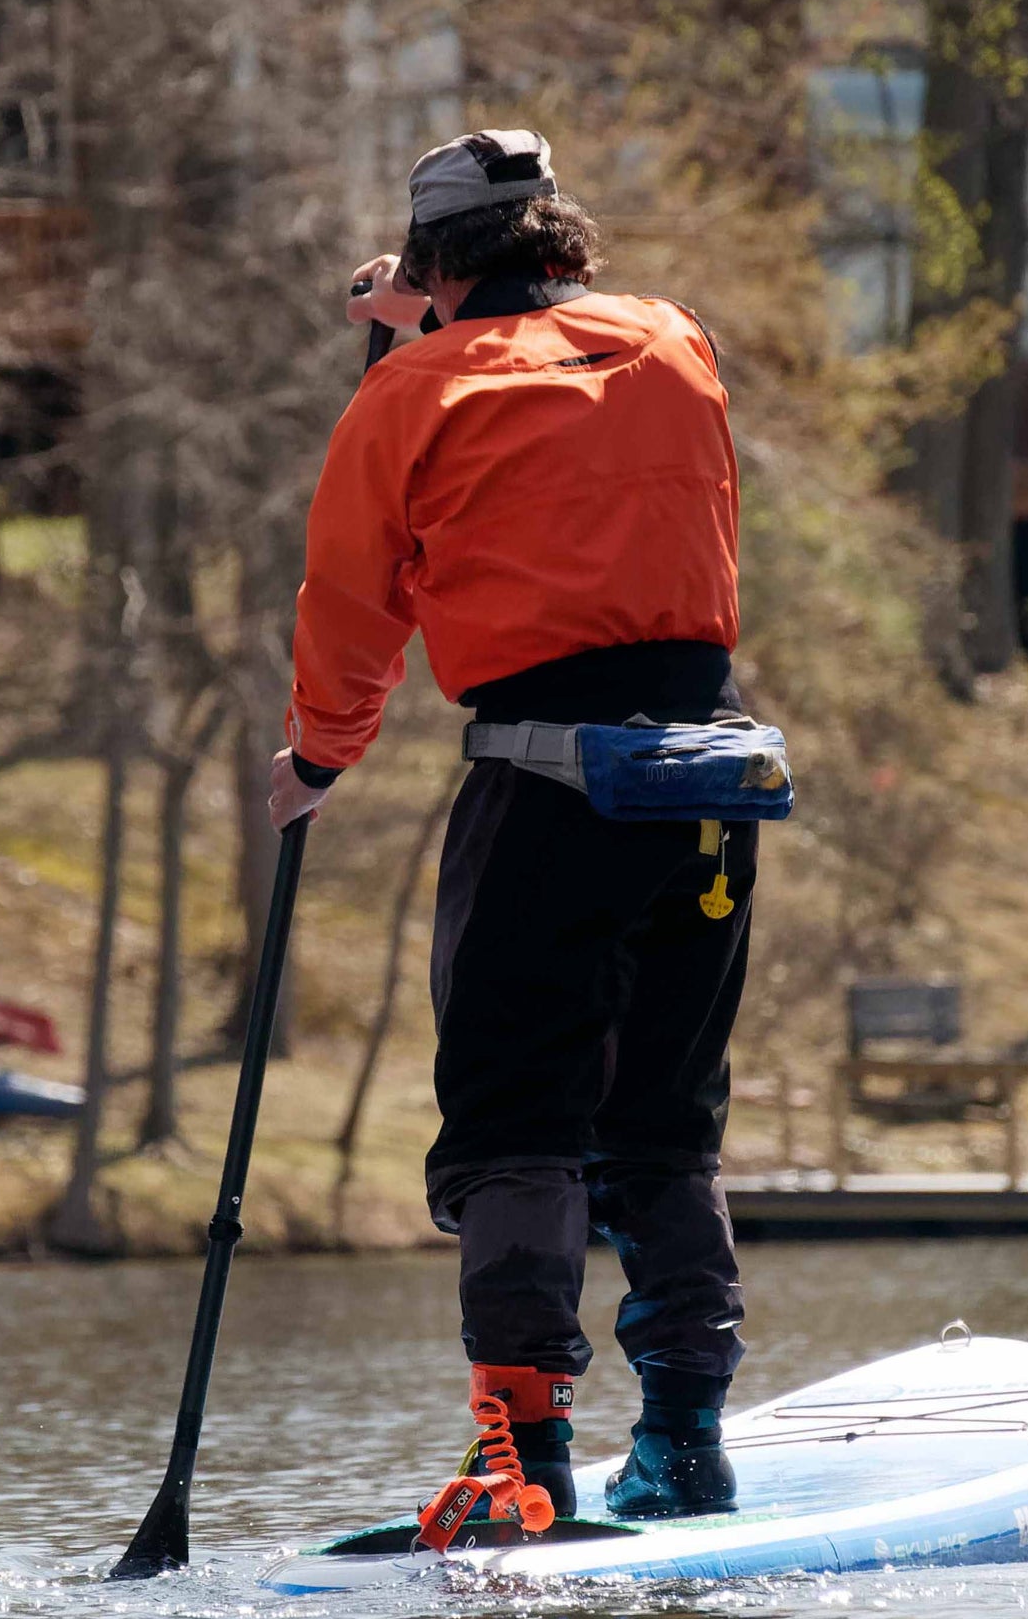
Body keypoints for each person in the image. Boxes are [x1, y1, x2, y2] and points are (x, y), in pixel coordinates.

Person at [266, 128, 757, 1526]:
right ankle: (682, 1443)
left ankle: (524, 1465)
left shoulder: (411, 393)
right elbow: (547, 374)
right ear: (562, 240)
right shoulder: (674, 342)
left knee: (515, 1127)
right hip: (712, 778)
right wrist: (426, 315)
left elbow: (353, 606)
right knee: (665, 1128)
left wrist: (319, 759)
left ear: (430, 261)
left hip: (551, 787)